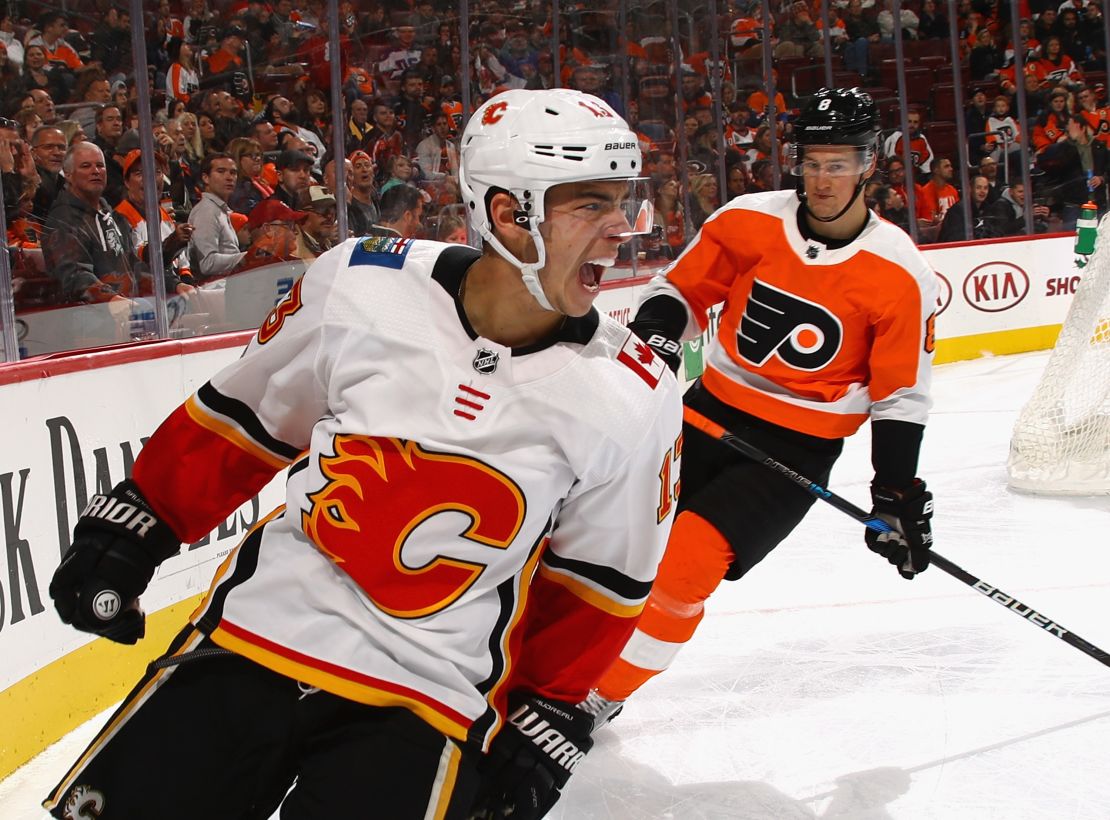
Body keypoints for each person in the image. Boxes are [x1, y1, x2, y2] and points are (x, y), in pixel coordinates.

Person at [44, 87, 680, 820]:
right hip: (258, 635)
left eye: (621, 201)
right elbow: (249, 413)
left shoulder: (632, 392)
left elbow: (600, 581)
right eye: (592, 205)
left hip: (429, 697)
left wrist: (548, 723)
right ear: (510, 214)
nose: (623, 229)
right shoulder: (362, 283)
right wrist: (139, 523)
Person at [585, 88, 937, 724]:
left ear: (867, 166)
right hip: (700, 413)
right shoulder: (748, 220)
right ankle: (547, 667)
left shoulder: (898, 271)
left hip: (791, 452)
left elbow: (900, 395)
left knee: (685, 569)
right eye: (811, 161)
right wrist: (663, 334)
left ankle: (596, 699)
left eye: (838, 163)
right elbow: (681, 293)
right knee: (607, 541)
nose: (822, 178)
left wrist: (894, 491)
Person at [187, 151, 246, 279]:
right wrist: (245, 257)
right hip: (215, 291)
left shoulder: (218, 210)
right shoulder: (206, 211)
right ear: (205, 178)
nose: (229, 177)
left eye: (233, 172)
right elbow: (207, 263)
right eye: (221, 171)